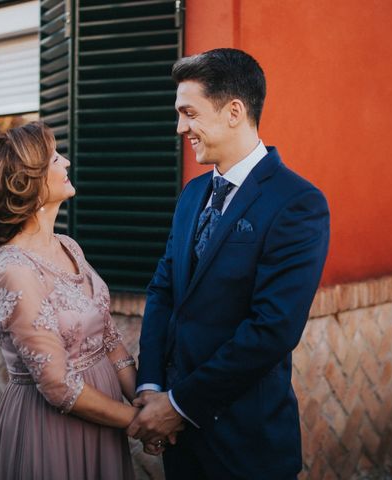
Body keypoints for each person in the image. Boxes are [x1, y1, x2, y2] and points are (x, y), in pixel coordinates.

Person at [127, 48, 330, 479]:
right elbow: (163, 291)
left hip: (246, 445)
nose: (181, 127)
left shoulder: (298, 203)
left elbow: (271, 329)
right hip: (180, 443)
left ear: (234, 111)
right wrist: (150, 386)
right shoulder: (191, 195)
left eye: (189, 113)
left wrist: (178, 405)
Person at [0, 121, 137, 479]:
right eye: (54, 158)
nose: (66, 163)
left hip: (104, 422)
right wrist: (141, 422)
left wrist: (143, 398)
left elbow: (110, 340)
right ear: (27, 182)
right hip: (52, 429)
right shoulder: (13, 269)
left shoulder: (69, 246)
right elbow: (57, 384)